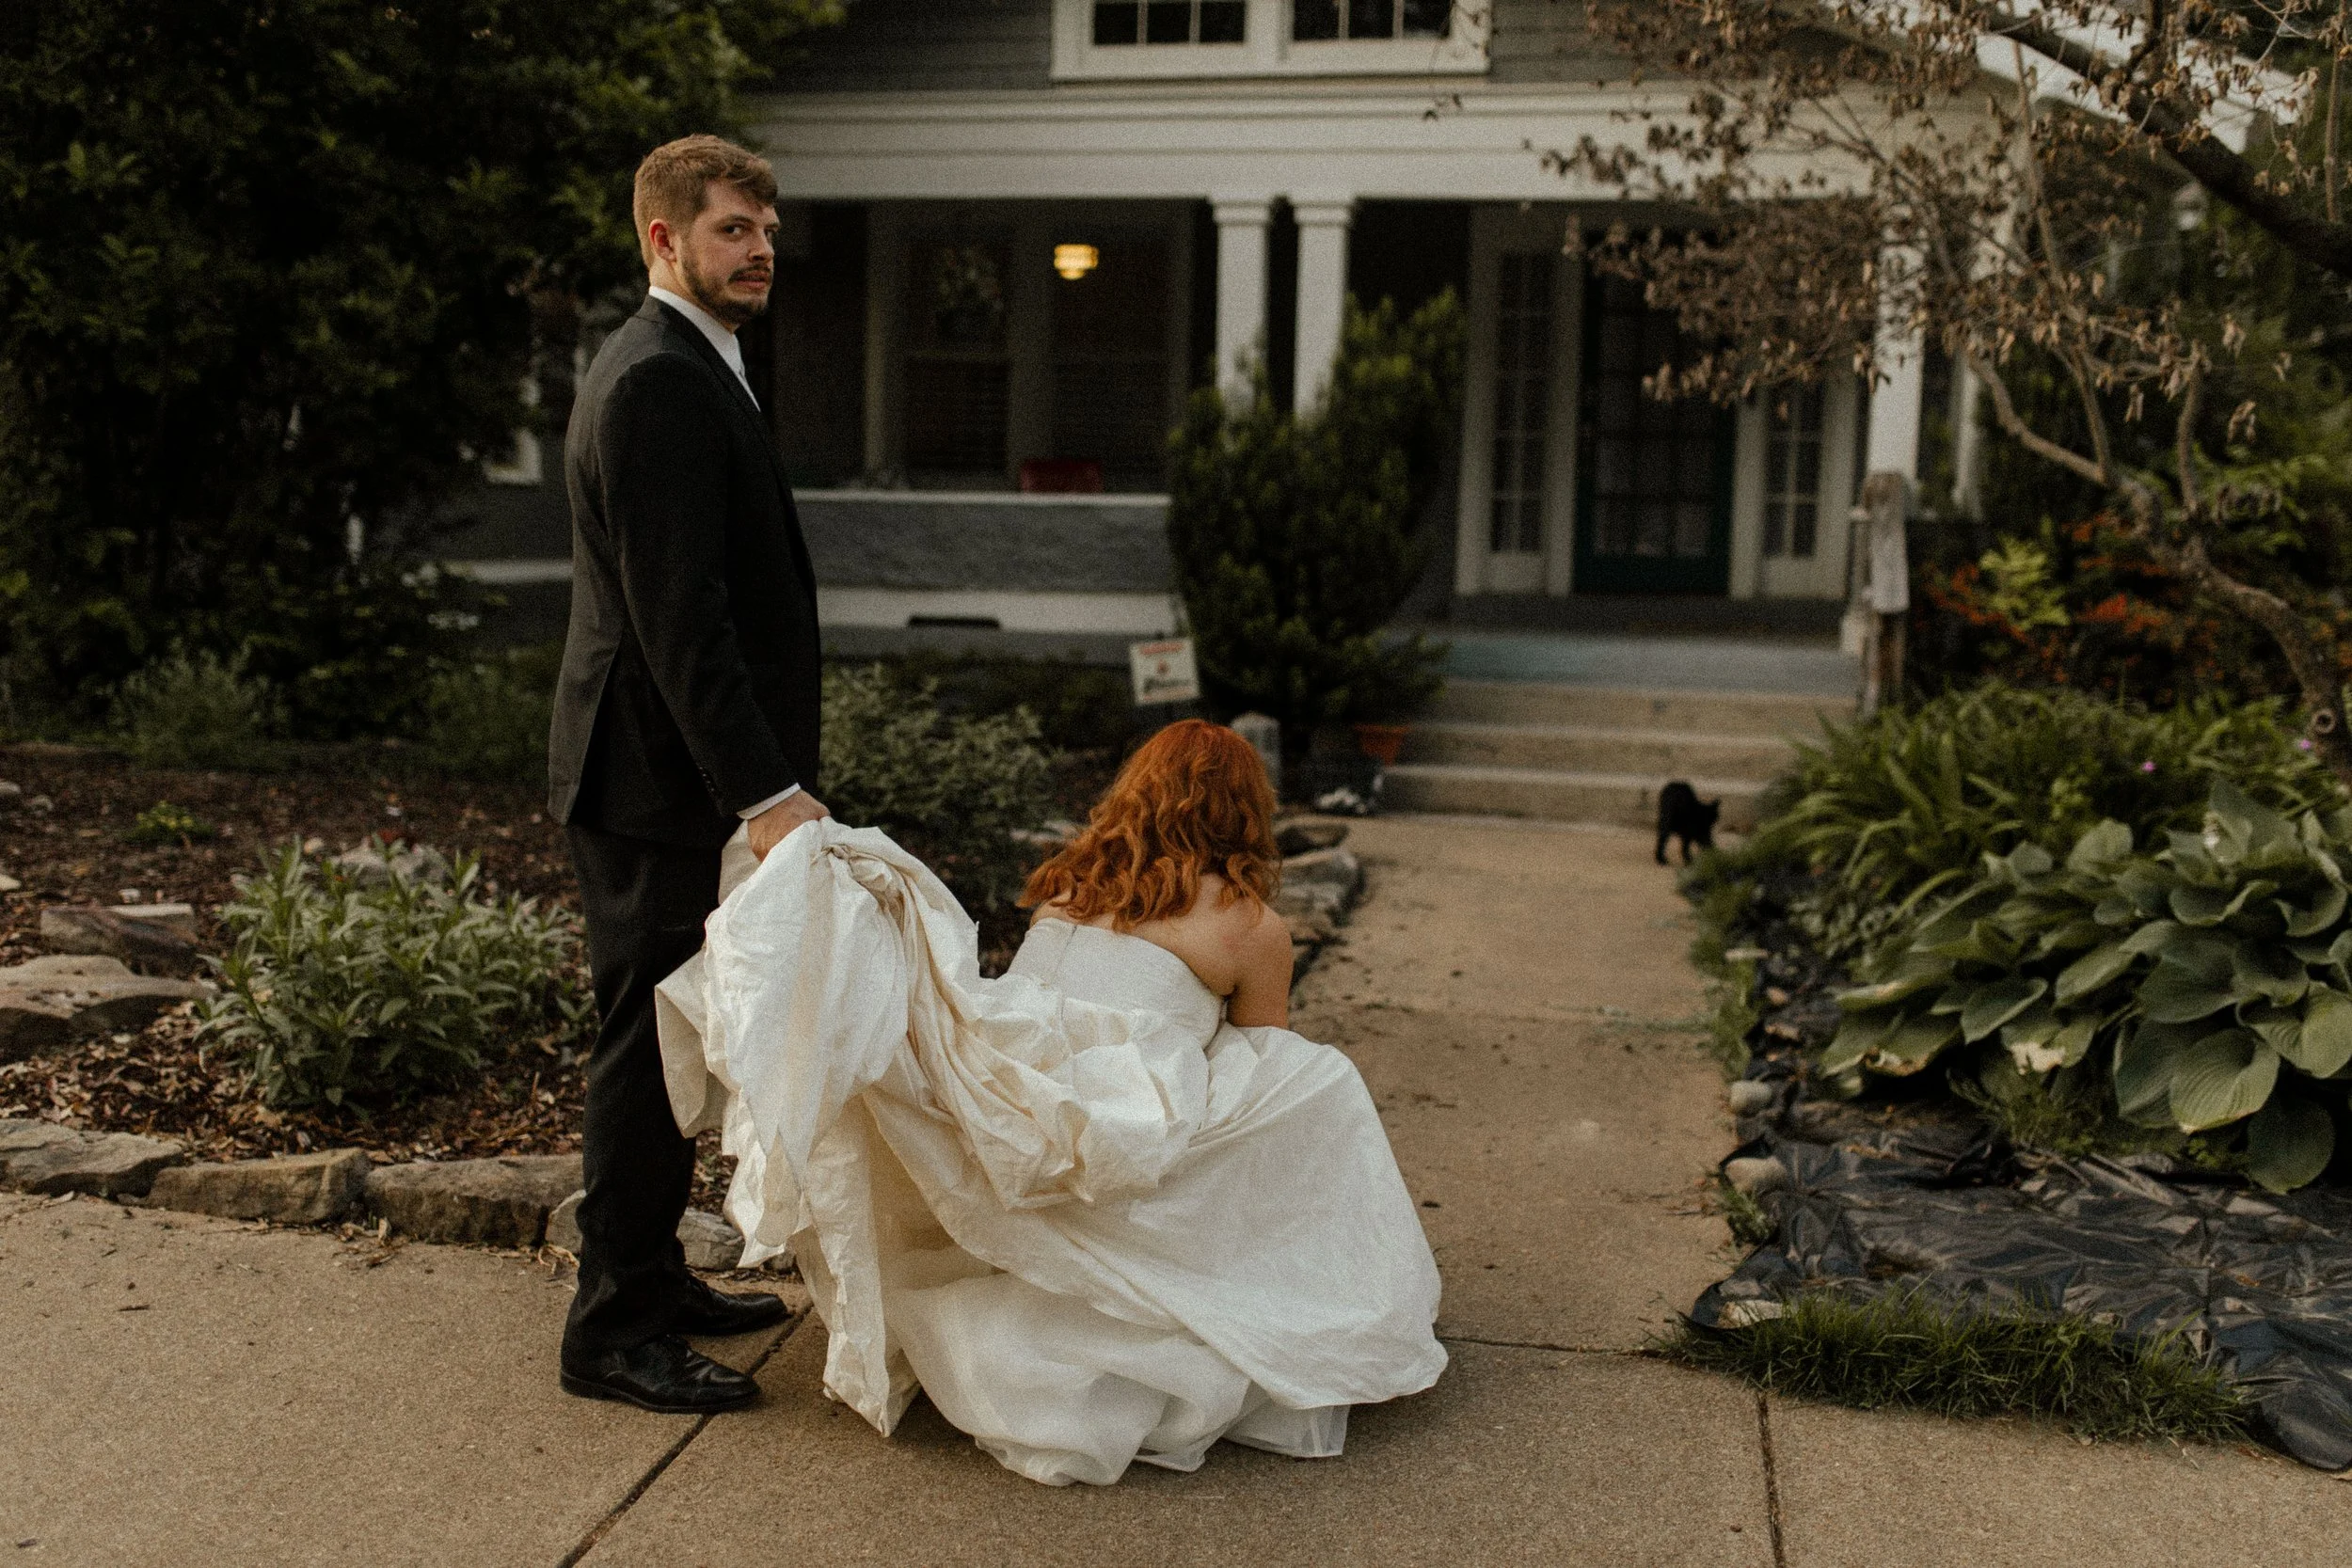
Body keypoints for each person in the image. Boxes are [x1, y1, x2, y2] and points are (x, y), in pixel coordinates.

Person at [657, 721, 1447, 1483]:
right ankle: (1298, 1285)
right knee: (1315, 1085)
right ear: (1244, 810)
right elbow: (1261, 1048)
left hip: (1019, 1090)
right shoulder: (1248, 923)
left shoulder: (1070, 880)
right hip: (1113, 1105)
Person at [547, 135, 827, 1415]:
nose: (760, 245)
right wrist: (767, 794)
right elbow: (680, 621)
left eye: (766, 225)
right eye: (731, 228)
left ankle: (656, 1282)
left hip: (673, 774)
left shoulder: (696, 362)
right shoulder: (656, 380)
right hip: (655, 779)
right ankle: (611, 1329)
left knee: (675, 1042)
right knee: (642, 1054)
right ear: (664, 241)